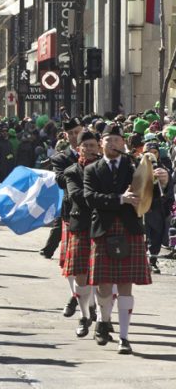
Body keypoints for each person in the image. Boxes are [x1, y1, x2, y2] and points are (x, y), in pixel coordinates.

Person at [84, 124, 162, 354]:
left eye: (118, 140)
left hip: (129, 228)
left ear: (123, 143)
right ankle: (103, 319)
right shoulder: (92, 169)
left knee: (126, 285)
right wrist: (120, 199)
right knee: (104, 285)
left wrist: (161, 182)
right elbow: (90, 198)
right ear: (102, 144)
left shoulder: (134, 167)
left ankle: (124, 338)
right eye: (109, 141)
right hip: (104, 229)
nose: (114, 144)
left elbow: (152, 197)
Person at [43, 118, 84, 318]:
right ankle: (74, 296)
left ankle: (91, 305)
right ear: (65, 136)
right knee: (72, 263)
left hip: (99, 213)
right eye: (72, 133)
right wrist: (81, 167)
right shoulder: (61, 158)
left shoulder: (99, 153)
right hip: (72, 211)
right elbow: (60, 181)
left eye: (78, 131)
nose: (76, 136)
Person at [63, 129, 100, 337]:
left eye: (92, 145)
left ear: (99, 147)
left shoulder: (107, 167)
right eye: (85, 146)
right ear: (79, 149)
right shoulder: (72, 171)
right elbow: (76, 195)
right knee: (81, 274)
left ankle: (103, 319)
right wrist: (104, 198)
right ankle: (84, 316)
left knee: (103, 276)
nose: (88, 149)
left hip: (104, 224)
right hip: (81, 223)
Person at [142, 141, 174, 274]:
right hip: (140, 209)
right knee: (141, 237)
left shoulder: (163, 169)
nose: (151, 156)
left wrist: (164, 184)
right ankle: (140, 262)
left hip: (156, 209)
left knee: (155, 238)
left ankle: (153, 262)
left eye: (154, 153)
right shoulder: (135, 167)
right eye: (147, 153)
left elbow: (169, 192)